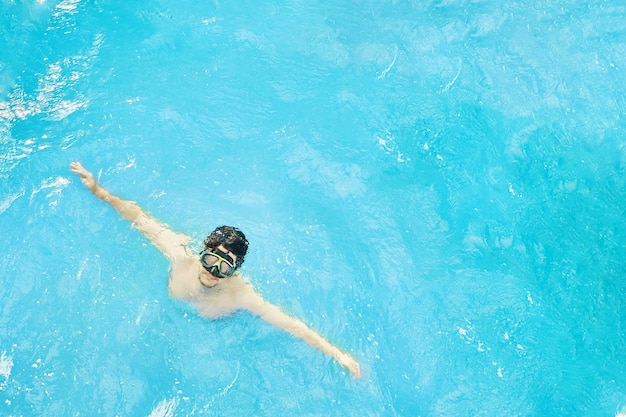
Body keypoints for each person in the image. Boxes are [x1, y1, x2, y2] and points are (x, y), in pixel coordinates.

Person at [69, 162, 361, 378]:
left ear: (234, 272)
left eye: (224, 267)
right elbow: (138, 217)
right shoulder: (181, 256)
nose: (212, 271)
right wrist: (98, 190)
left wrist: (338, 355)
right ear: (202, 253)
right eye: (211, 260)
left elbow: (290, 324)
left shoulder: (242, 296)